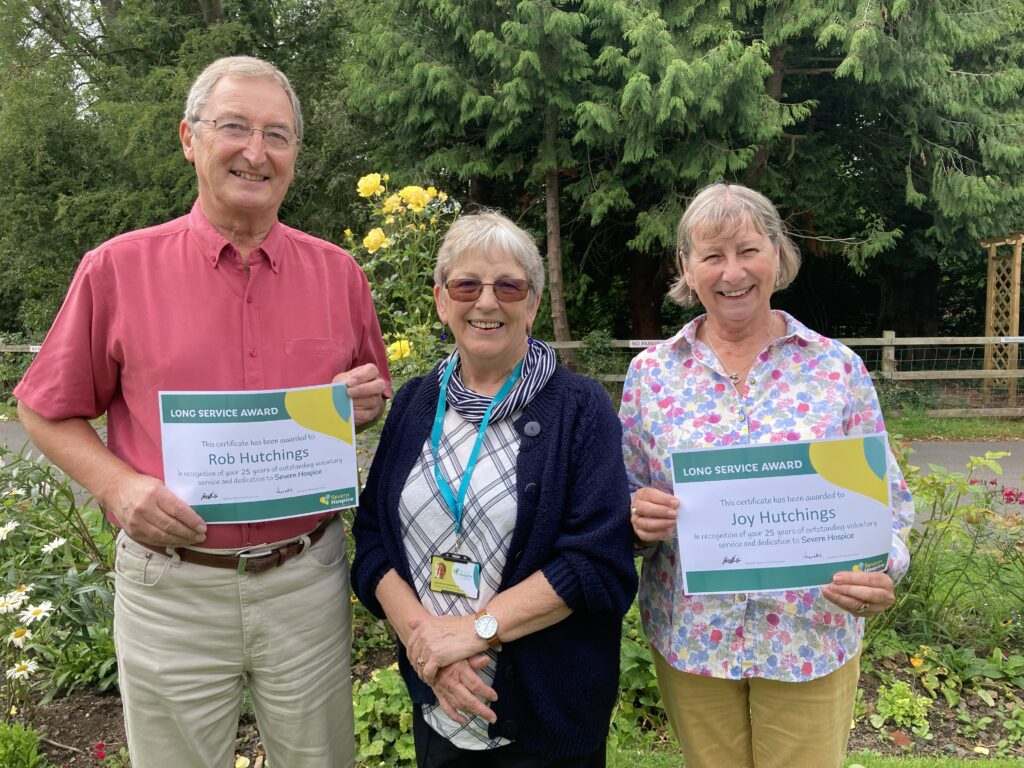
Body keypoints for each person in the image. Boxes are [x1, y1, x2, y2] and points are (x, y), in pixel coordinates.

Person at [15, 55, 391, 768]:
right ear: (189, 138)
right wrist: (119, 487)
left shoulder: (339, 274)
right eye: (234, 128)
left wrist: (360, 406)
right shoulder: (117, 270)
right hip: (173, 586)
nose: (256, 151)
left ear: (295, 156)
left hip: (304, 580)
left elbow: (362, 402)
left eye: (277, 135)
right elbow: (42, 411)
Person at [619, 182, 914, 768]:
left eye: (749, 250)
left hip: (810, 632)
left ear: (777, 254)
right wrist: (636, 521)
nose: (733, 272)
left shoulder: (837, 370)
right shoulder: (651, 375)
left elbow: (890, 505)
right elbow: (623, 499)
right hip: (694, 636)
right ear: (687, 267)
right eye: (712, 255)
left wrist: (884, 569)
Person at [352, 210, 637, 767]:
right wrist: (429, 644)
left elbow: (596, 563)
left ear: (531, 304)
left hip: (545, 714)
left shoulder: (581, 410)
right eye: (467, 284)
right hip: (438, 696)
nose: (487, 302)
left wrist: (477, 632)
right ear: (441, 299)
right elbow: (372, 542)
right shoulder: (413, 404)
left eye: (508, 285)